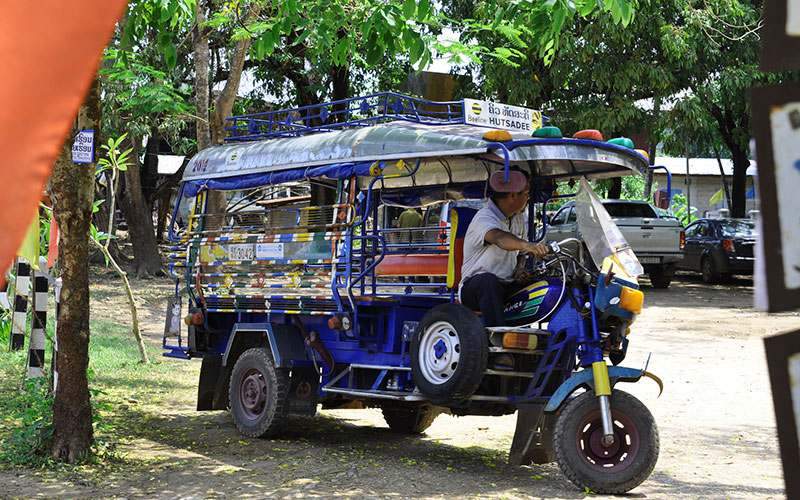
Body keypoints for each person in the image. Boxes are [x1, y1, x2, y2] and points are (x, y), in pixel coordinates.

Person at [459, 168, 549, 327]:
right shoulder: (484, 217)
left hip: (506, 285)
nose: (528, 198)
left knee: (543, 285)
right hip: (474, 290)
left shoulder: (518, 217)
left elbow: (521, 254)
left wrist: (520, 270)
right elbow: (499, 238)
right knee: (488, 281)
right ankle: (498, 339)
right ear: (513, 195)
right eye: (526, 194)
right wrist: (528, 245)